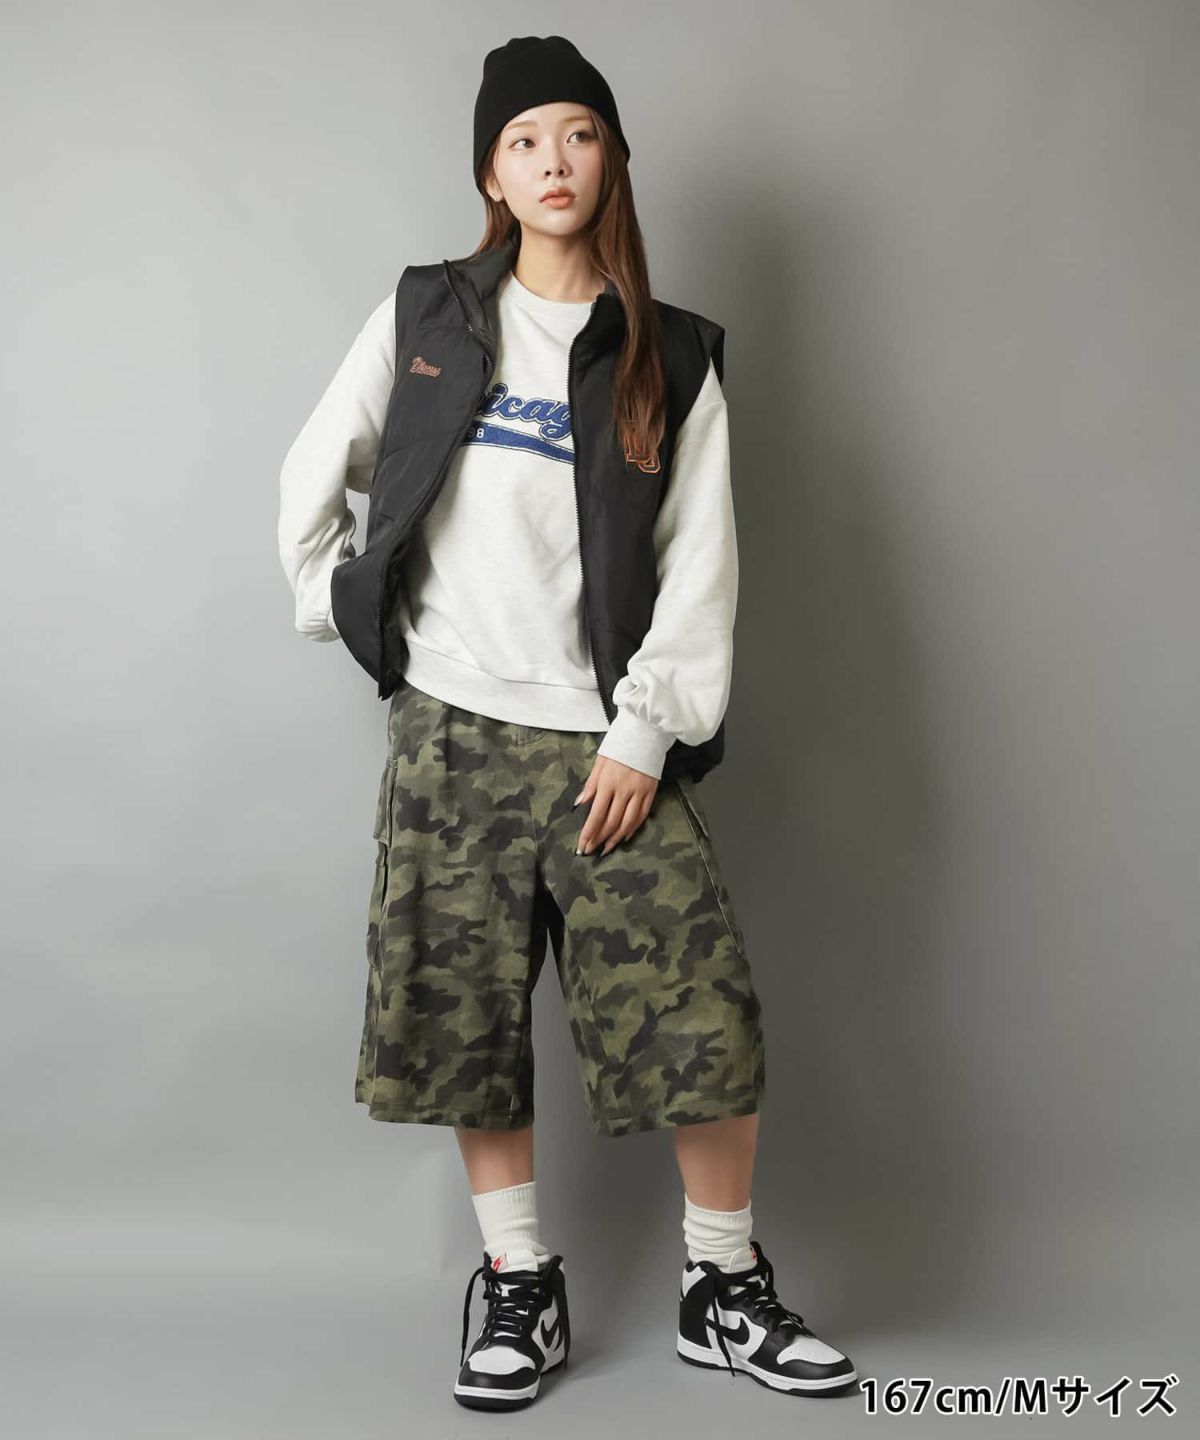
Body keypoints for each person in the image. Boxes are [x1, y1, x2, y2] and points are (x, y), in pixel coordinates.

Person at [278, 33, 856, 1412]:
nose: (554, 160)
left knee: (701, 1011)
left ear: (613, 160)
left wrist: (646, 734)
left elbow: (702, 566)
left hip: (609, 747)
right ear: (492, 170)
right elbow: (318, 471)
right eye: (525, 139)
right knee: (465, 1018)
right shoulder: (429, 314)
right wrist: (353, 612)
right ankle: (519, 1281)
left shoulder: (673, 352)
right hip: (452, 734)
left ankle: (721, 1284)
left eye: (579, 134)